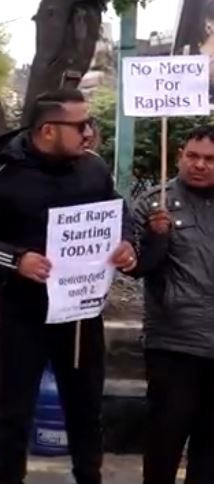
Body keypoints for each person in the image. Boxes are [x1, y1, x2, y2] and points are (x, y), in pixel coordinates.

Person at [0, 88, 137, 484]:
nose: (89, 133)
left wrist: (126, 242)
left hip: (81, 315)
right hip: (25, 316)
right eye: (80, 125)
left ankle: (89, 477)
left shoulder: (93, 168)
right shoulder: (2, 175)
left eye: (90, 124)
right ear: (49, 130)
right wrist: (17, 259)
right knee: (15, 413)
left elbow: (117, 210)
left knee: (86, 409)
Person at [131, 125, 214, 484]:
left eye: (210, 159)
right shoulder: (154, 204)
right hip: (174, 343)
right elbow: (134, 267)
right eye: (192, 156)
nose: (200, 165)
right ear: (179, 155)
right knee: (165, 441)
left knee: (209, 450)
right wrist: (156, 238)